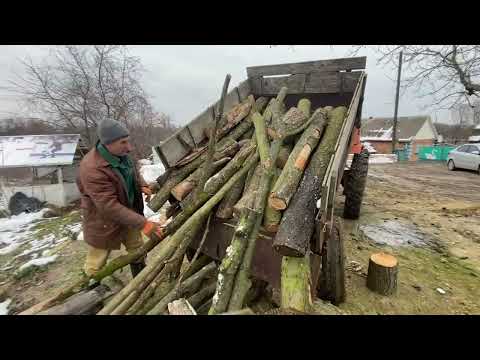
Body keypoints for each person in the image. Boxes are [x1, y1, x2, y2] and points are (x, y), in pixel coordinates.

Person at [76, 118, 163, 281]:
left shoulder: (122, 155)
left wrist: (141, 185)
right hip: (104, 221)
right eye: (123, 142)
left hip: (129, 214)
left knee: (137, 250)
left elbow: (132, 171)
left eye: (128, 141)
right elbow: (108, 206)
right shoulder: (91, 168)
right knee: (96, 262)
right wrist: (144, 223)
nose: (129, 147)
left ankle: (141, 282)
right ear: (108, 144)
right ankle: (90, 290)